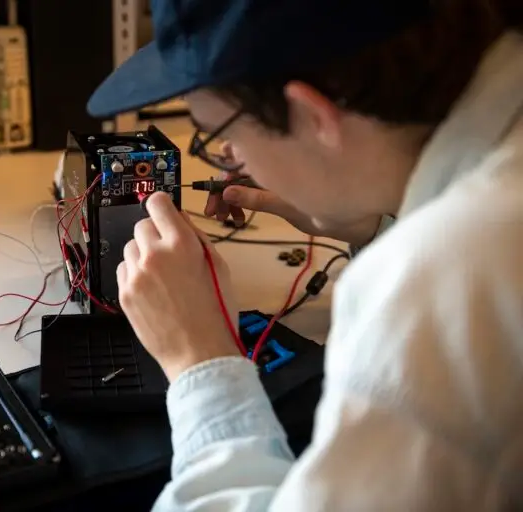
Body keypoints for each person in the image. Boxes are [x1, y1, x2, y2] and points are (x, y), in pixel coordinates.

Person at [86, 0, 523, 510]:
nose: (233, 161)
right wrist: (377, 215)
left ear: (313, 115)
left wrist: (200, 360)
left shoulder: (434, 291)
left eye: (220, 135)